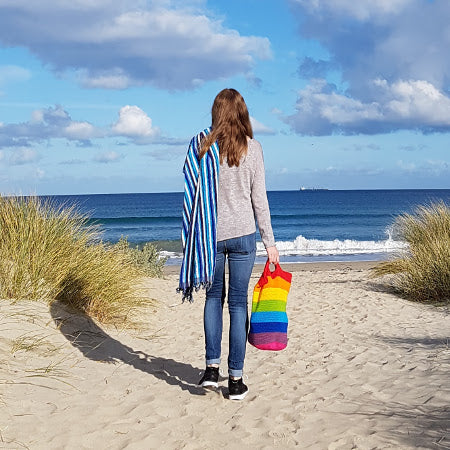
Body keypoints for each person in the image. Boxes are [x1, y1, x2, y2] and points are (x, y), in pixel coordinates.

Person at [179, 88, 279, 400]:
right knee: (238, 303)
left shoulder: (202, 146)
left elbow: (191, 193)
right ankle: (235, 380)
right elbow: (258, 200)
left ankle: (211, 369)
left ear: (216, 113)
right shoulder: (254, 148)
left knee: (213, 299)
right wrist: (270, 243)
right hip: (243, 236)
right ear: (242, 113)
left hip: (210, 236)